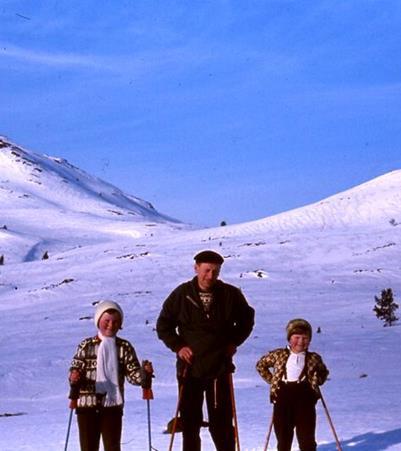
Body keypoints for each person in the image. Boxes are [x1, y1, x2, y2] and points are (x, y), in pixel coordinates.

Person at [156, 250, 255, 451]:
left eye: (215, 271)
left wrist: (234, 342)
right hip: (189, 368)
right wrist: (178, 346)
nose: (210, 276)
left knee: (222, 425)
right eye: (206, 270)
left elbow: (246, 319)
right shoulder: (182, 294)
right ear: (196, 268)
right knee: (190, 423)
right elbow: (163, 325)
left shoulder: (230, 294)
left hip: (219, 367)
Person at [68, 300, 153, 451]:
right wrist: (74, 377)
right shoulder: (86, 346)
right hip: (87, 406)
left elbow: (133, 376)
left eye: (115, 322)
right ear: (98, 321)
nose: (110, 325)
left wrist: (144, 374)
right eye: (107, 321)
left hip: (112, 407)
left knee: (113, 448)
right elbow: (75, 369)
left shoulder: (124, 347)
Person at [256, 318, 329, 451]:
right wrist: (273, 381)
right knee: (283, 439)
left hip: (305, 398)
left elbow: (323, 372)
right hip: (283, 396)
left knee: (307, 440)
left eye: (305, 338)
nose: (300, 342)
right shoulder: (278, 354)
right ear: (289, 338)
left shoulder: (314, 358)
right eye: (297, 337)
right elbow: (261, 365)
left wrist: (316, 380)